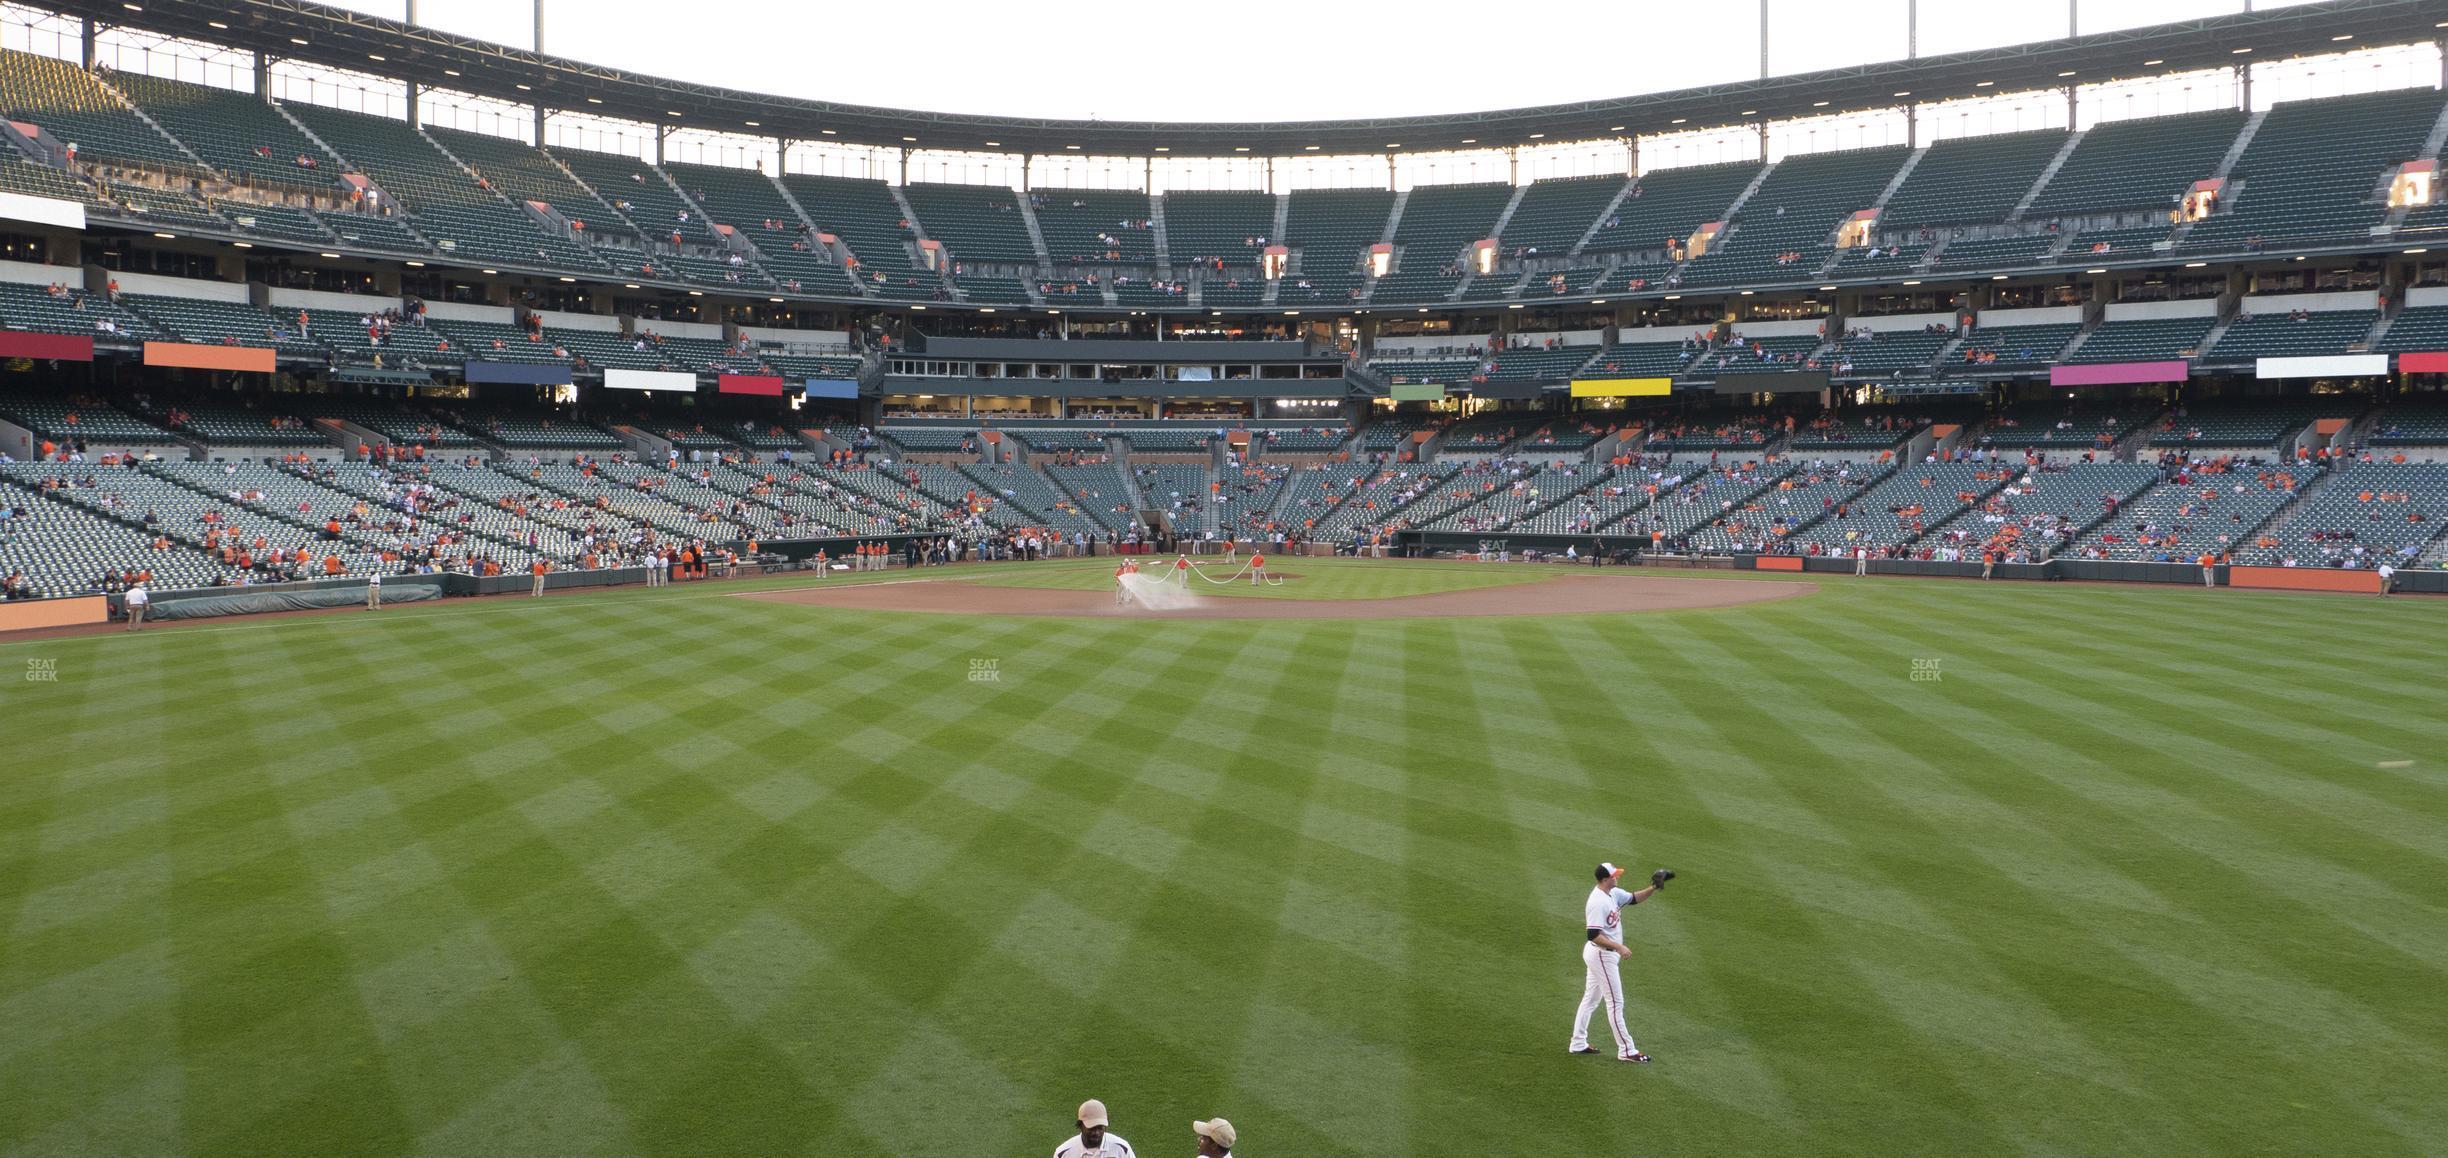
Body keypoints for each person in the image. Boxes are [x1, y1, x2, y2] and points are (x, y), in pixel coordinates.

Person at [1571, 862, 1667, 1063]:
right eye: (1614, 875)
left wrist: (1653, 888)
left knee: (1591, 999)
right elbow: (1592, 934)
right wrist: (1619, 947)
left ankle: (1578, 1043)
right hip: (1601, 955)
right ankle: (1626, 1050)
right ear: (1605, 879)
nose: (1618, 877)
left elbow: (1633, 899)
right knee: (1615, 1003)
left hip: (1602, 954)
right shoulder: (1598, 902)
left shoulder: (1612, 893)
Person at [1053, 1098, 1133, 1157]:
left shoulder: (1122, 1149)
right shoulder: (1063, 1153)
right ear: (1080, 1125)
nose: (1096, 1133)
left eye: (1100, 1128)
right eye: (1091, 1128)